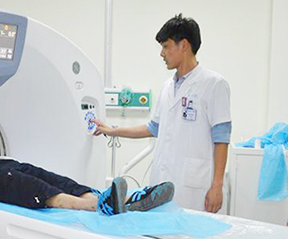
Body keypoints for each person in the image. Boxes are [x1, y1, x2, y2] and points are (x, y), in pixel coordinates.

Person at [93, 14, 231, 213]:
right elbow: (152, 128)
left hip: (194, 185)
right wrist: (113, 131)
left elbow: (222, 138)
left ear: (184, 45)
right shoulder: (167, 87)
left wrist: (217, 186)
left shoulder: (214, 84)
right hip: (162, 178)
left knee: (189, 229)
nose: (162, 53)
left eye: (166, 46)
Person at [0, 133, 174, 215]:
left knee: (61, 182)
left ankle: (126, 200)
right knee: (43, 192)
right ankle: (101, 207)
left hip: (7, 164)